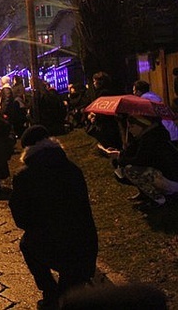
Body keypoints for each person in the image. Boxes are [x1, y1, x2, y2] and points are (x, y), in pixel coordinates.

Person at [9, 125, 98, 309]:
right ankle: (64, 294)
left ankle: (49, 291)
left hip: (51, 246)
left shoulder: (25, 175)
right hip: (84, 247)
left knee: (26, 244)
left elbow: (21, 219)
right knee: (69, 295)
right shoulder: (73, 169)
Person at [107, 114, 178, 211]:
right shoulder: (146, 135)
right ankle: (146, 194)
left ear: (142, 125)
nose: (130, 130)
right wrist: (121, 152)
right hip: (167, 176)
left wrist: (120, 157)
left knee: (131, 170)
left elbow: (139, 160)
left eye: (132, 126)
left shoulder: (152, 139)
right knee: (126, 168)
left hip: (172, 179)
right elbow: (134, 154)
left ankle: (159, 200)